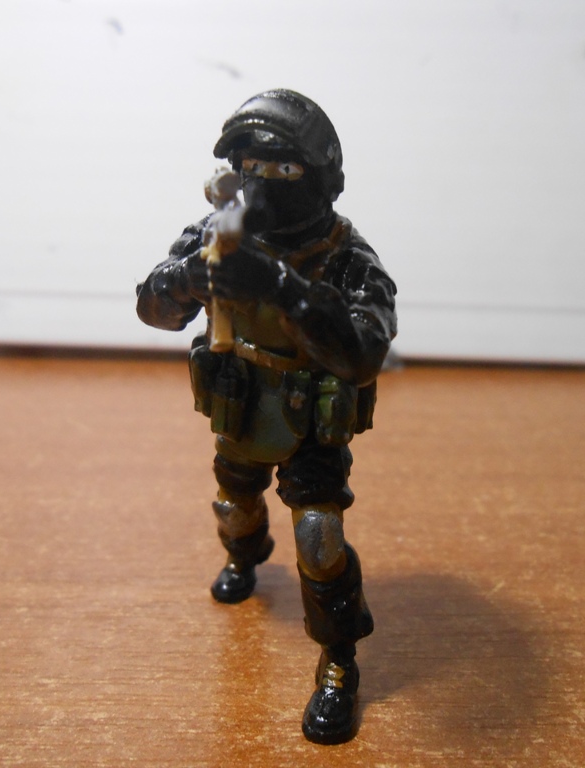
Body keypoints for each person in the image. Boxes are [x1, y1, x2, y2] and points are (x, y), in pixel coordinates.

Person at [136, 88, 397, 745]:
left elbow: (363, 350)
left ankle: (338, 662)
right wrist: (187, 279)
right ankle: (246, 557)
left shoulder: (345, 257)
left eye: (284, 169)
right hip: (242, 403)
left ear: (320, 177)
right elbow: (152, 307)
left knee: (320, 538)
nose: (264, 183)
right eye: (251, 168)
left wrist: (285, 291)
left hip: (311, 419)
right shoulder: (217, 234)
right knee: (233, 507)